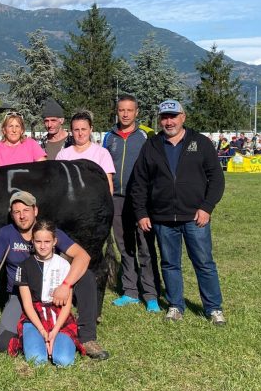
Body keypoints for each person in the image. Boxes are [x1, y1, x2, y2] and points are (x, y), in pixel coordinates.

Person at [130, 99, 226, 325]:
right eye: (164, 117)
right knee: (170, 264)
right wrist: (141, 213)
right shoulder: (151, 145)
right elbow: (139, 182)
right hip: (163, 218)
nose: (169, 121)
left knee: (204, 262)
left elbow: (217, 179)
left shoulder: (200, 143)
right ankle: (175, 305)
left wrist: (206, 207)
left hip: (195, 217)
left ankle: (213, 308)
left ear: (183, 117)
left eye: (173, 116)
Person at [0, 191, 110, 360]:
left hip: (52, 293)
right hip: (21, 295)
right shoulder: (6, 233)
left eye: (26, 210)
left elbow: (83, 257)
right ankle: (34, 341)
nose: (21, 216)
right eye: (16, 212)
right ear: (12, 214)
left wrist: (66, 285)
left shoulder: (48, 231)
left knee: (85, 276)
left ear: (35, 210)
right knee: (4, 343)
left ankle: (86, 337)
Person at [103, 95, 161, 312]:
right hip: (117, 199)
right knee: (125, 247)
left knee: (145, 247)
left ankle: (151, 294)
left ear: (137, 112)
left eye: (129, 110)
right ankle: (130, 291)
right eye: (121, 110)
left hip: (143, 201)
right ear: (116, 112)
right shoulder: (109, 137)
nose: (125, 114)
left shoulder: (147, 136)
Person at [9, 220, 84, 367]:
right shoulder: (24, 267)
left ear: (54, 241)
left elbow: (67, 305)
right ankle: (36, 340)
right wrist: (43, 332)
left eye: (47, 241)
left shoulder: (64, 265)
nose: (43, 246)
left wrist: (54, 331)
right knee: (37, 360)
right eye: (38, 241)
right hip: (35, 317)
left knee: (64, 360)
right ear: (33, 241)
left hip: (58, 316)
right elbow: (27, 305)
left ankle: (59, 343)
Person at [56, 111, 115, 194]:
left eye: (84, 129)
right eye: (76, 130)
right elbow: (58, 184)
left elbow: (108, 186)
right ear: (71, 131)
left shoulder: (102, 153)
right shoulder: (62, 155)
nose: (80, 133)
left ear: (91, 129)